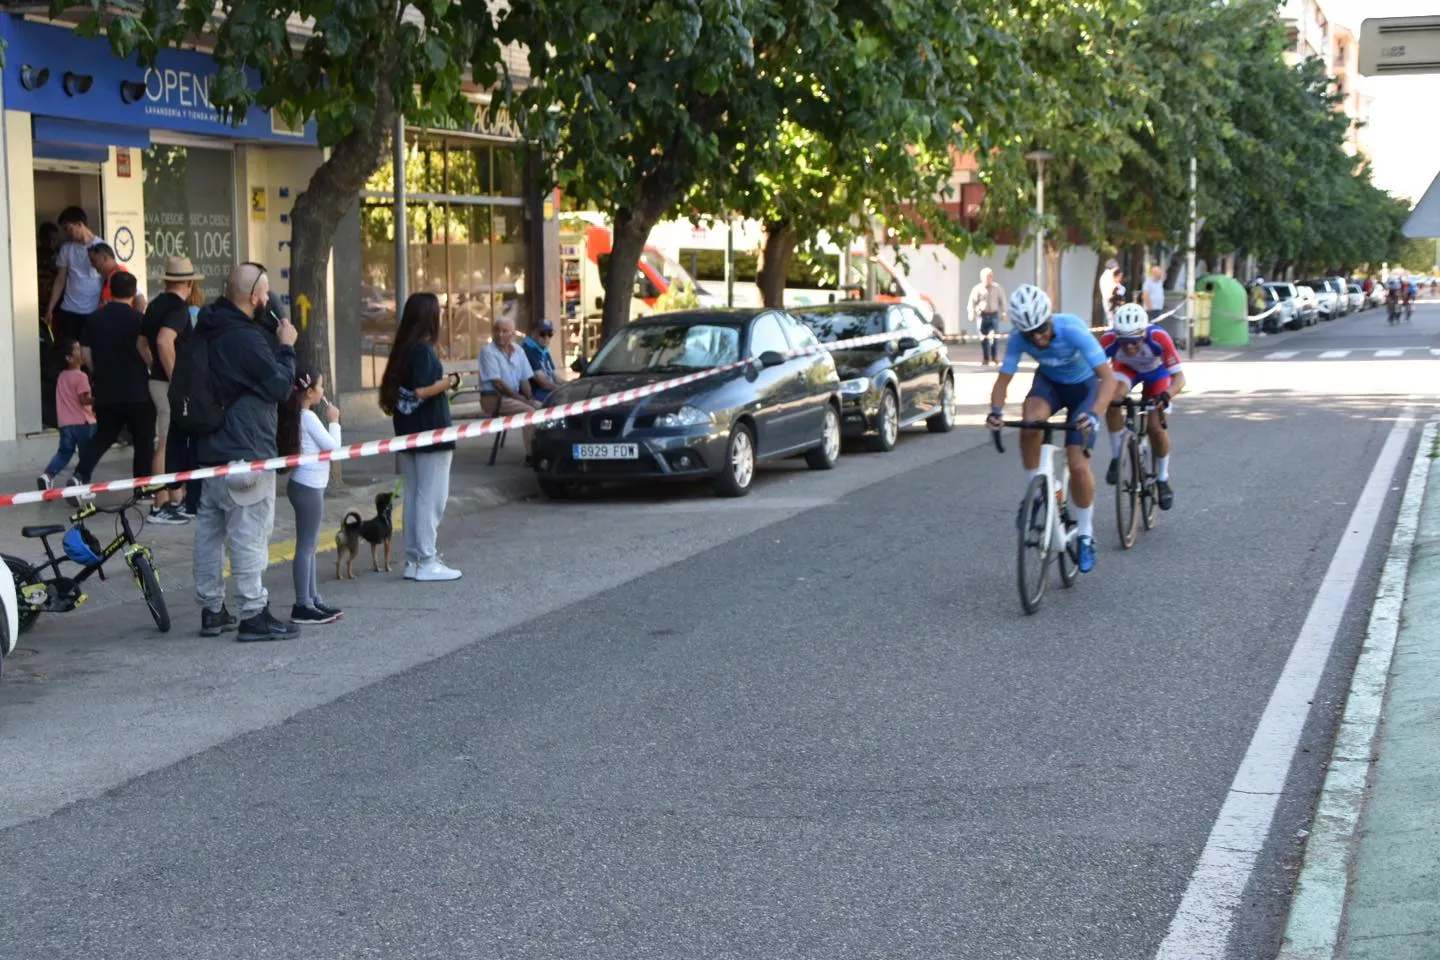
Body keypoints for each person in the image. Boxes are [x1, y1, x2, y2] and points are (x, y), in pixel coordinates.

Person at [192, 262, 300, 642]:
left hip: (209, 450)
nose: (268, 300)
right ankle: (253, 613)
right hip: (248, 450)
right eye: (266, 294)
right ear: (255, 297)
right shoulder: (246, 339)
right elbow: (281, 387)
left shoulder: (207, 326)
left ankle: (212, 610)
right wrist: (286, 346)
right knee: (249, 534)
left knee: (210, 533)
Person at [986, 283, 1116, 574]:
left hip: (1084, 390)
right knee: (1030, 421)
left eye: (1042, 329)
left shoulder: (1072, 329)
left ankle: (1085, 534)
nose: (1039, 338)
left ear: (1049, 318)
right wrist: (995, 412)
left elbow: (1107, 379)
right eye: (1031, 334)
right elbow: (1002, 382)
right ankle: (1038, 489)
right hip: (1050, 385)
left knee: (1078, 465)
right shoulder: (1019, 338)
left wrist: (1095, 414)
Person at [379, 292, 462, 583]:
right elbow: (423, 390)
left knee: (415, 496)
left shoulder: (403, 349)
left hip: (408, 432)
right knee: (432, 498)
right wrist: (450, 381)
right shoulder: (424, 351)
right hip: (432, 431)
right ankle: (426, 559)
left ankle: (414, 559)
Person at [69, 271, 156, 503]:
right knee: (143, 440)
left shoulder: (94, 319)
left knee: (104, 436)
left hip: (107, 389)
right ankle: (142, 488)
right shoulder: (139, 319)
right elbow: (146, 350)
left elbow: (86, 353)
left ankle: (80, 475)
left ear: (110, 290)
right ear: (132, 292)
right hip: (137, 390)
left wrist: (100, 373)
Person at [1101, 303, 1185, 510]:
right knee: (1112, 400)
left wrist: (1166, 396)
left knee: (1155, 427)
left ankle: (1163, 479)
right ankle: (1116, 456)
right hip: (1126, 370)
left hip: (1157, 374)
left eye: (1134, 342)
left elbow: (1179, 378)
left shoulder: (1159, 338)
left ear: (1143, 334)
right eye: (1124, 342)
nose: (1129, 347)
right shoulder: (1109, 340)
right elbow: (1095, 372)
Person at [277, 367, 344, 625]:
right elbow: (333, 448)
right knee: (306, 546)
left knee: (310, 544)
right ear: (309, 392)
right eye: (321, 386)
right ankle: (302, 604)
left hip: (306, 485)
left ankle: (312, 598)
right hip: (308, 487)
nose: (323, 391)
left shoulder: (302, 416)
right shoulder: (309, 418)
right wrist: (335, 420)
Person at [141, 256, 200, 523]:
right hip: (168, 385)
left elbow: (142, 343)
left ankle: (174, 499)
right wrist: (176, 378)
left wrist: (154, 367)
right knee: (164, 442)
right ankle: (159, 504)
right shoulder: (178, 308)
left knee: (171, 440)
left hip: (157, 381)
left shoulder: (154, 305)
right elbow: (165, 341)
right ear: (188, 283)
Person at [37, 339, 97, 491]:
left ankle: (48, 475)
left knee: (64, 453)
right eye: (78, 350)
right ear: (69, 358)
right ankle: (80, 483)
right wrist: (98, 400)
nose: (82, 352)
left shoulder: (62, 376)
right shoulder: (81, 376)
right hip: (83, 423)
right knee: (86, 456)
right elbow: (83, 400)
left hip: (65, 424)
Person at [478, 316, 538, 457]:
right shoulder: (488, 351)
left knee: (545, 407)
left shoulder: (519, 351)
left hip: (512, 397)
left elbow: (524, 379)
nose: (500, 334)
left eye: (505, 331)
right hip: (493, 399)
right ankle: (532, 456)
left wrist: (530, 397)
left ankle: (543, 449)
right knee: (529, 412)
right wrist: (522, 399)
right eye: (497, 331)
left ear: (512, 333)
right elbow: (498, 384)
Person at [45, 206, 105, 343]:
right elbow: (60, 280)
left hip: (93, 310)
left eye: (68, 228)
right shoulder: (66, 249)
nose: (66, 233)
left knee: (90, 352)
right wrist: (51, 307)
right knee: (70, 353)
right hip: (69, 310)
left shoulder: (101, 246)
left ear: (80, 224)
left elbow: (107, 275)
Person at [90, 243, 147, 313]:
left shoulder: (120, 275)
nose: (93, 266)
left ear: (105, 258)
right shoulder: (108, 276)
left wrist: (134, 320)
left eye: (94, 261)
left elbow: (141, 300)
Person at [967, 268, 1007, 366]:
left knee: (993, 337)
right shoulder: (977, 289)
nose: (989, 278)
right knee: (983, 338)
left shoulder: (997, 288)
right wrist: (971, 313)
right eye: (986, 276)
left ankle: (994, 357)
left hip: (993, 315)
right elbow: (971, 303)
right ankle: (986, 358)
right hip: (982, 316)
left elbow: (1003, 301)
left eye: (990, 276)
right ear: (981, 277)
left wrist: (1004, 313)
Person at [520, 319, 562, 402]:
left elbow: (555, 377)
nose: (546, 337)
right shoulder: (529, 350)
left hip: (549, 391)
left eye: (550, 334)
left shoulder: (543, 350)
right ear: (533, 333)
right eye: (542, 334)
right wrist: (561, 390)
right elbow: (543, 383)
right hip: (537, 394)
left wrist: (570, 385)